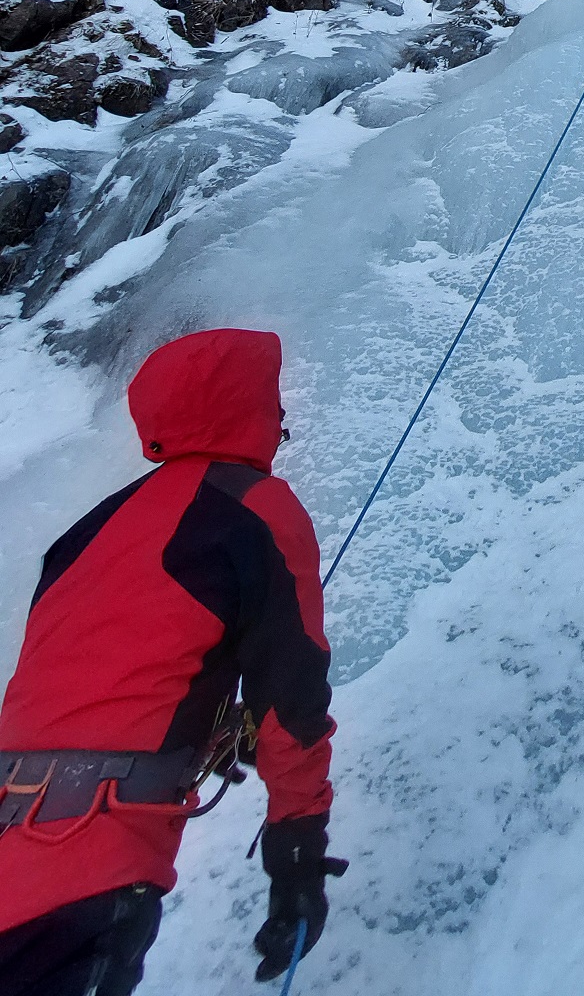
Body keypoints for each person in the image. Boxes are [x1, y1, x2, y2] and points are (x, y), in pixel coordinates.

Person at [0, 327, 343, 993]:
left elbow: (101, 678)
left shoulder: (90, 530)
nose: (282, 418)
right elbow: (291, 703)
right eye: (273, 402)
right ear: (246, 409)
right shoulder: (255, 508)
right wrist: (297, 846)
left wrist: (209, 727)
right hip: (88, 869)